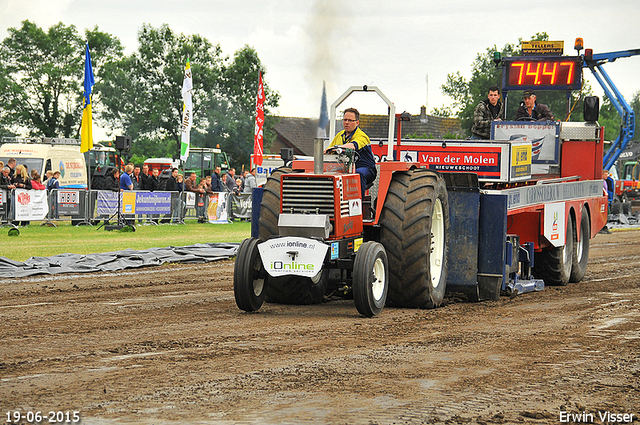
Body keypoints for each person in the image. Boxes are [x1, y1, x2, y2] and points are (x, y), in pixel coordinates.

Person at [325, 107, 377, 197]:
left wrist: (337, 148)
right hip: (344, 168)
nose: (346, 122)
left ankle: (356, 205)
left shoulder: (362, 136)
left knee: (357, 174)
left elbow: (353, 146)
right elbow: (328, 151)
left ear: (357, 122)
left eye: (350, 120)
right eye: (345, 120)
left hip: (365, 169)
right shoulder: (340, 135)